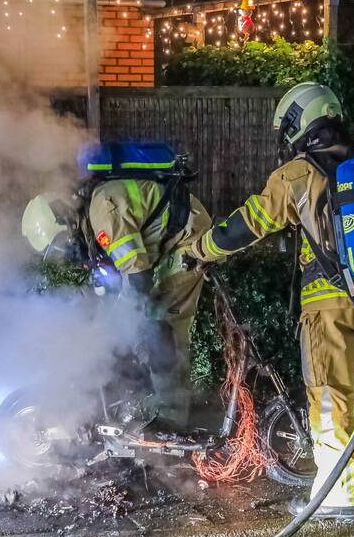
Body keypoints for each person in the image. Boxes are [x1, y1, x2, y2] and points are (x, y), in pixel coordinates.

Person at [187, 82, 354, 522]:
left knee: (331, 397)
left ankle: (339, 497)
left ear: (299, 124)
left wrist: (200, 248)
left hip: (326, 305)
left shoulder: (295, 176)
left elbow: (249, 224)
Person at [22, 142, 212, 432]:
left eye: (61, 246)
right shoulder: (93, 216)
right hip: (161, 247)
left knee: (161, 324)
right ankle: (147, 400)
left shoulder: (102, 213)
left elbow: (138, 279)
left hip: (187, 240)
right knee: (135, 319)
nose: (66, 254)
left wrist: (110, 334)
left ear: (66, 221)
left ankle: (172, 423)